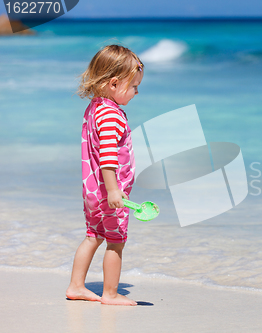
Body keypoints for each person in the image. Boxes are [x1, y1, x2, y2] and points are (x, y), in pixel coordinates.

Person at [66, 44, 143, 306]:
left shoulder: (95, 109)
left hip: (92, 191)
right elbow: (108, 157)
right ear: (113, 83)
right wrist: (113, 190)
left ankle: (76, 286)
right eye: (133, 86)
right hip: (110, 194)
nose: (136, 92)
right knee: (116, 242)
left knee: (93, 236)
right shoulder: (111, 115)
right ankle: (110, 293)